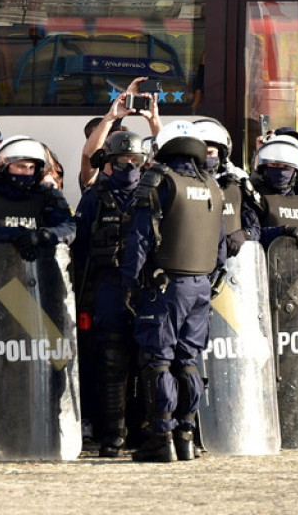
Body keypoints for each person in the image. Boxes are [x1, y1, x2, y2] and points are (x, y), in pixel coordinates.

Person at [0, 135, 77, 454]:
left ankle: (51, 429)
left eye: (30, 167)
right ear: (3, 165)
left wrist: (43, 236)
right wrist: (16, 236)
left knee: (54, 361)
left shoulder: (48, 197)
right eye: (18, 165)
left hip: (43, 294)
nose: (24, 172)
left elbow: (69, 228)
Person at [119, 121, 225, 463]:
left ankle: (160, 438)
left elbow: (139, 238)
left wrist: (129, 282)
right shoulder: (211, 184)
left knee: (157, 360)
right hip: (201, 284)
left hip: (165, 285)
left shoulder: (158, 181)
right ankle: (186, 436)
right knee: (189, 360)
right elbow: (221, 245)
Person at [72, 131, 147, 457]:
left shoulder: (153, 193)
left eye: (135, 162)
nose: (129, 167)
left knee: (149, 360)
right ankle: (113, 433)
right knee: (111, 361)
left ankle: (145, 428)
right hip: (108, 287)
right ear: (110, 163)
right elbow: (80, 249)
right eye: (121, 161)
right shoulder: (95, 197)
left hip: (147, 288)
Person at [193, 118, 260, 257]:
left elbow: (255, 227)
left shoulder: (235, 186)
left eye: (210, 153)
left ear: (221, 155)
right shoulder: (181, 186)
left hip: (233, 269)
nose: (205, 157)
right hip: (195, 266)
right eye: (200, 153)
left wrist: (244, 235)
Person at [80, 79, 162, 190]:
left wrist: (154, 119)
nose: (124, 146)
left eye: (133, 158)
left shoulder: (143, 177)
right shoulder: (97, 177)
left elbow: (166, 160)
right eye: (115, 140)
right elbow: (88, 156)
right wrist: (110, 118)